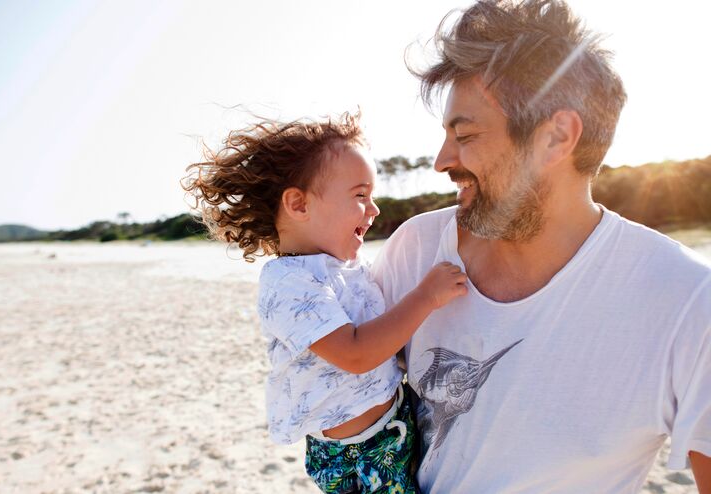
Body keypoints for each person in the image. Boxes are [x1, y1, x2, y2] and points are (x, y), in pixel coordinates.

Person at [371, 1, 711, 492]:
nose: (443, 160)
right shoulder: (417, 248)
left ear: (556, 138)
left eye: (464, 134)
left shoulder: (685, 301)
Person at [183, 113, 467, 493]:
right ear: (299, 204)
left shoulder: (347, 269)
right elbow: (354, 353)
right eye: (360, 195)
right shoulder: (289, 283)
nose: (374, 209)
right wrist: (426, 297)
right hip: (360, 457)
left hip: (396, 425)